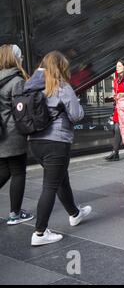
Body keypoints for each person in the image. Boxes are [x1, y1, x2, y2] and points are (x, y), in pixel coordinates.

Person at [27, 51, 90, 246]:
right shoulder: (61, 86)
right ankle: (39, 232)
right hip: (56, 141)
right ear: (60, 67)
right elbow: (77, 115)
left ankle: (75, 213)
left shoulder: (30, 86)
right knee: (50, 186)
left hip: (34, 141)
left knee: (61, 179)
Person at [0, 44, 34, 226]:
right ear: (14, 58)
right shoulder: (16, 81)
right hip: (13, 134)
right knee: (18, 172)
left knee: (4, 170)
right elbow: (21, 111)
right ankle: (15, 213)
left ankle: (15, 212)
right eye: (19, 57)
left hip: (0, 134)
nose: (22, 59)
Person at [105, 60, 124, 161]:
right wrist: (114, 96)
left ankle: (117, 152)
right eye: (116, 66)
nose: (117, 68)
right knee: (116, 129)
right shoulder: (116, 79)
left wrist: (121, 95)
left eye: (119, 66)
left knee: (123, 129)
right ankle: (115, 152)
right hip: (118, 107)